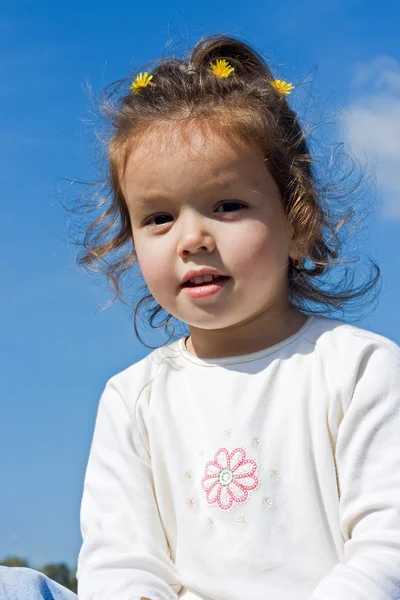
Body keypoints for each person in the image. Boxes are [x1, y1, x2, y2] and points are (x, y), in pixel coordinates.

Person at [3, 33, 400, 600]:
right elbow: (122, 562)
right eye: (159, 217)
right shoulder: (133, 396)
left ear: (298, 224)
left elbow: (388, 550)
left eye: (228, 205)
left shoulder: (359, 369)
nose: (192, 238)